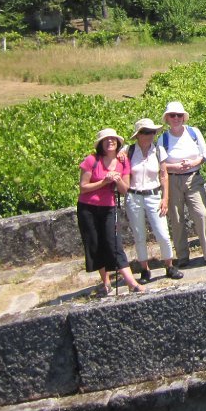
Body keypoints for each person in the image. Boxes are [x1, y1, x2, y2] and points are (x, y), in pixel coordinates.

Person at [77, 129, 143, 295]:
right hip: (87, 208)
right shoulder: (92, 160)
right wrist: (104, 181)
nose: (110, 142)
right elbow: (83, 187)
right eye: (106, 140)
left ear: (117, 142)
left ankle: (131, 283)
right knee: (95, 244)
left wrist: (118, 180)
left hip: (109, 207)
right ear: (101, 144)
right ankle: (106, 283)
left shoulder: (123, 161)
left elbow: (124, 190)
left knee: (114, 244)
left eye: (113, 139)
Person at [160, 101, 206, 267]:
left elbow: (205, 153)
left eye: (179, 115)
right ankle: (182, 256)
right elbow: (160, 163)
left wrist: (194, 163)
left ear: (183, 117)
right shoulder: (163, 138)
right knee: (176, 218)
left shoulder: (193, 132)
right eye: (172, 115)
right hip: (172, 180)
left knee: (202, 214)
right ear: (167, 118)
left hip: (193, 178)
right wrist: (175, 167)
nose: (176, 118)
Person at [122, 118, 183, 282]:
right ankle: (144, 269)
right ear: (138, 135)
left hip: (153, 195)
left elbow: (164, 175)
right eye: (146, 132)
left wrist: (165, 198)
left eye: (152, 132)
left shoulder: (158, 150)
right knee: (139, 235)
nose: (150, 135)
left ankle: (169, 265)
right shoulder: (128, 151)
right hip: (134, 196)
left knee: (162, 233)